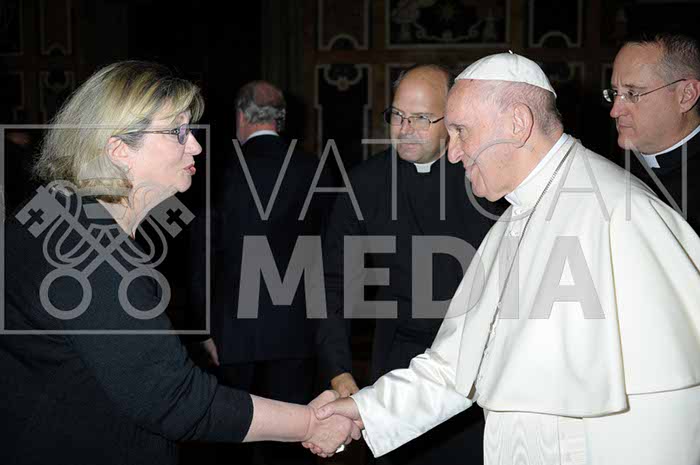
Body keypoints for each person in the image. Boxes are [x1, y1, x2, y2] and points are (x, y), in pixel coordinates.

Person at [311, 53, 700, 465]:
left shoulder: (618, 212)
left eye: (461, 131)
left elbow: (668, 408)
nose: (453, 153)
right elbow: (455, 364)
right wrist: (362, 411)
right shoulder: (517, 215)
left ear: (517, 124)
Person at [0, 61, 358, 465]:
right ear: (119, 149)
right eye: (178, 132)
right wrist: (310, 423)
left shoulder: (52, 212)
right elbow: (177, 400)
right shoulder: (89, 255)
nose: (196, 147)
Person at [317, 64, 497, 464]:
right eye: (397, 115)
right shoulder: (364, 182)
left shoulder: (486, 179)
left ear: (451, 121)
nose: (405, 128)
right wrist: (338, 368)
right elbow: (332, 280)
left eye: (421, 118)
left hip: (474, 360)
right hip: (398, 357)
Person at [194, 80, 331, 465]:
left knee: (231, 435)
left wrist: (204, 329)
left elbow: (202, 257)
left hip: (233, 331)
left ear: (240, 117)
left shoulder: (217, 172)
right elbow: (330, 252)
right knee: (294, 438)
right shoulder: (314, 169)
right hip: (297, 329)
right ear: (281, 120)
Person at [608, 32, 700, 231]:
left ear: (686, 95)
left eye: (632, 94)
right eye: (615, 92)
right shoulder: (611, 162)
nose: (615, 111)